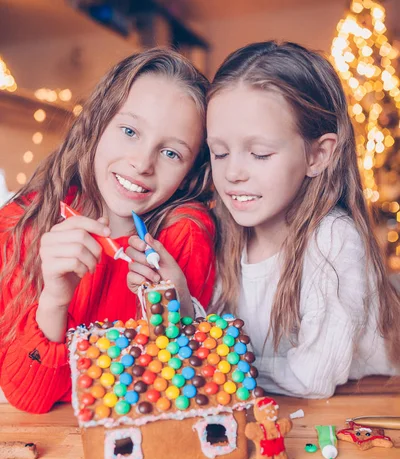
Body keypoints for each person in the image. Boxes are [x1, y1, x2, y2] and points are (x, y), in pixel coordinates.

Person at [138, 41, 399, 399]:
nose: (232, 173)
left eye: (259, 154)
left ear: (318, 155)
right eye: (220, 152)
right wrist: (182, 301)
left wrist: (211, 361)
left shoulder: (335, 241)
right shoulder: (223, 232)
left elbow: (312, 379)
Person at [0, 48, 215, 413]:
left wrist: (176, 312)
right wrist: (54, 299)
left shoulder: (185, 234)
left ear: (190, 174)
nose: (142, 163)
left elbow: (176, 396)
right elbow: (28, 399)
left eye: (171, 153)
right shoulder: (24, 222)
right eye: (129, 131)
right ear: (97, 123)